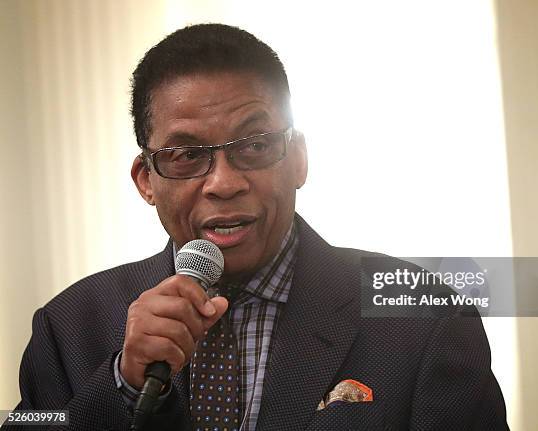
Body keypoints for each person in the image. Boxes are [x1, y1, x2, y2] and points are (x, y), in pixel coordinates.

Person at [9, 24, 509, 430]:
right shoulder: (68, 325)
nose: (224, 183)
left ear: (298, 160)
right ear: (146, 180)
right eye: (186, 156)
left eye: (254, 145)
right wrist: (123, 387)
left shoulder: (424, 319)